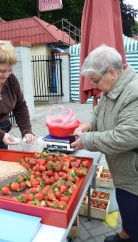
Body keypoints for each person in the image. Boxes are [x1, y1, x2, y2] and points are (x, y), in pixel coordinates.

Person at [71, 45, 138, 242]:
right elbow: (98, 112)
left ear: (111, 71)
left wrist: (87, 140)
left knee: (133, 207)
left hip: (134, 170)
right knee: (125, 204)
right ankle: (125, 234)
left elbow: (126, 137)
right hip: (124, 168)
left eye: (95, 80)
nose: (94, 85)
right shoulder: (113, 87)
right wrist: (86, 125)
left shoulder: (134, 93)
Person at [0, 40, 35, 166]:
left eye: (10, 70)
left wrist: (27, 131)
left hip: (0, 140)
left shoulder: (11, 80)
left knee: (1, 177)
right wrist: (0, 134)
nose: (7, 75)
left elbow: (20, 106)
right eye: (2, 70)